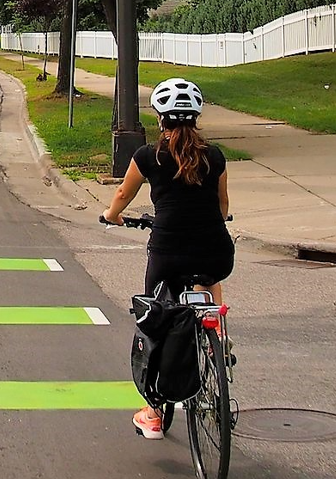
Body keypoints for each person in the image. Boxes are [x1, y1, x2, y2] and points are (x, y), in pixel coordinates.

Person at [102, 78, 234, 440]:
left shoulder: (148, 155)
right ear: (196, 117)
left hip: (168, 253)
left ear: (161, 119)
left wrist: (112, 216)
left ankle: (154, 413)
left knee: (156, 320)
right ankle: (216, 335)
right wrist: (216, 220)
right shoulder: (216, 156)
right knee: (208, 276)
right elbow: (223, 206)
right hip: (216, 251)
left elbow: (122, 194)